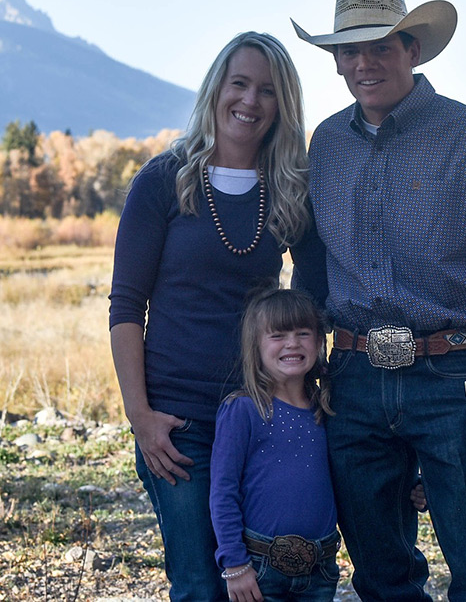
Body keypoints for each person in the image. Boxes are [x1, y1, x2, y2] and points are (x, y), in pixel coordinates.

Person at [291, 0, 466, 601]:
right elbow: (312, 264)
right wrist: (303, 370)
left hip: (452, 379)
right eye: (348, 51)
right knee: (381, 576)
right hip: (352, 380)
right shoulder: (326, 143)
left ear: (413, 49)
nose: (363, 63)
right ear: (335, 63)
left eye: (380, 46)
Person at [109, 31, 326, 601]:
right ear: (216, 90)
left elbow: (313, 297)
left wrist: (305, 388)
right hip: (177, 421)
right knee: (202, 584)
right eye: (240, 84)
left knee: (262, 582)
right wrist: (140, 415)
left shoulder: (288, 190)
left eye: (268, 91)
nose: (251, 102)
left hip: (261, 414)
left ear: (284, 106)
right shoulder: (162, 180)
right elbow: (127, 306)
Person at [210, 286, 339, 602]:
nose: (292, 343)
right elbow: (223, 492)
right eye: (278, 335)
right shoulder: (243, 409)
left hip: (320, 567)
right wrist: (235, 564)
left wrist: (411, 487)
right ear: (255, 346)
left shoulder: (328, 408)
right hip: (259, 567)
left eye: (303, 333)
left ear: (320, 341)